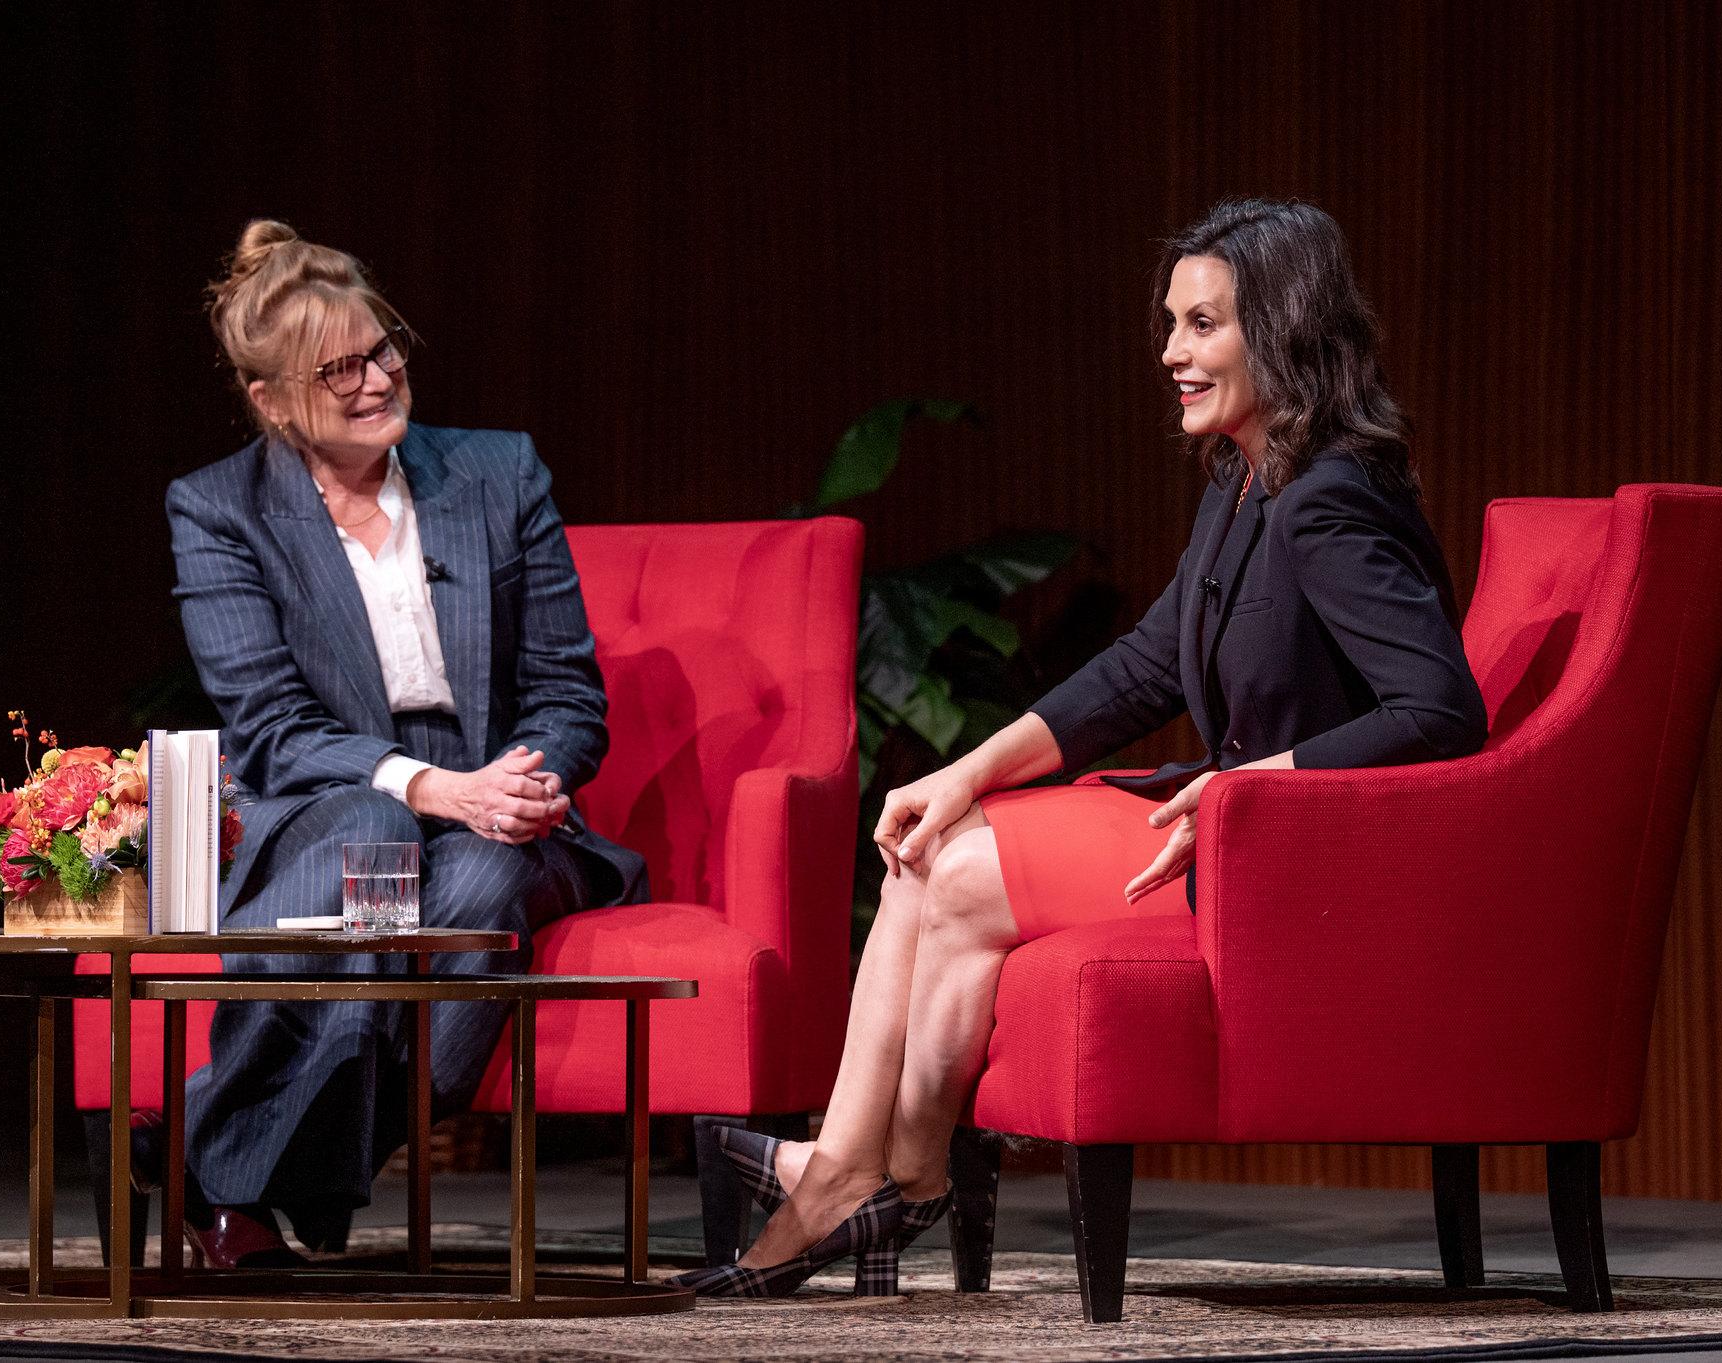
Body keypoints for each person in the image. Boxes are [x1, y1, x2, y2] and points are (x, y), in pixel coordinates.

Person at [676, 198, 1489, 1297]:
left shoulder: (1328, 497)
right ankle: (851, 1175)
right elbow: (1146, 666)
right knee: (932, 838)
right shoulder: (1245, 481)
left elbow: (1439, 707)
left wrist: (1246, 788)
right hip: (1226, 833)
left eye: (1200, 325)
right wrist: (959, 769)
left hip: (1292, 864)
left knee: (959, 872)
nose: (1170, 353)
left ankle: (887, 1182)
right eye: (1171, 323)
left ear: (1283, 329)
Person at [162, 220, 646, 1268]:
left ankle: (226, 1173)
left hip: (498, 804)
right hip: (329, 798)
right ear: (271, 401)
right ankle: (270, 1181)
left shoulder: (496, 472)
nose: (375, 380)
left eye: (381, 349)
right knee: (374, 834)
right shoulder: (217, 508)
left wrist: (522, 784)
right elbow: (272, 730)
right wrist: (434, 789)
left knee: (476, 880)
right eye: (337, 370)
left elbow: (567, 693)